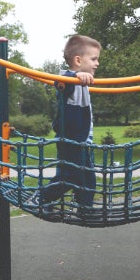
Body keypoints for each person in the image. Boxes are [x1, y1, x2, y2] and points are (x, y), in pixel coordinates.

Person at [26, 35, 101, 212]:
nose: (97, 63)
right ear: (78, 60)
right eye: (94, 59)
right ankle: (40, 198)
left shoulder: (82, 82)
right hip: (70, 140)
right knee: (70, 175)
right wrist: (75, 75)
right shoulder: (68, 80)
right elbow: (60, 82)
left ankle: (85, 208)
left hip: (81, 141)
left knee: (87, 177)